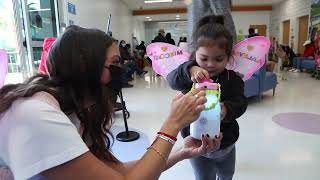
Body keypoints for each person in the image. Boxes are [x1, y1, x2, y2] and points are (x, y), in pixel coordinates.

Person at [0, 25, 223, 180]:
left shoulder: (73, 111)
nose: (121, 72)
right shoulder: (37, 114)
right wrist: (173, 124)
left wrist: (182, 152)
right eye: (114, 64)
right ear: (85, 67)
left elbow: (120, 172)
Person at [167, 15, 247, 180]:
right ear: (195, 54)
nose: (210, 64)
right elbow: (172, 81)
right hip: (196, 144)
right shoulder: (189, 77)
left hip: (226, 144)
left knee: (226, 175)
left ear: (228, 57)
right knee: (203, 177)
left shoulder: (233, 79)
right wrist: (189, 69)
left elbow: (241, 102)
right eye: (204, 58)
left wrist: (227, 109)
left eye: (219, 59)